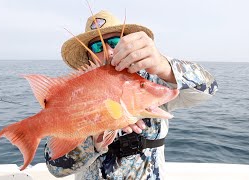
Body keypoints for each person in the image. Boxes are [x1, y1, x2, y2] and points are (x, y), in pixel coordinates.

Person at [44, 10, 218, 179]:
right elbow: (55, 167)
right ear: (89, 57)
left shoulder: (153, 83)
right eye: (97, 46)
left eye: (114, 42)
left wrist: (163, 65)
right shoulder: (75, 95)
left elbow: (210, 88)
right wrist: (94, 139)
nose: (108, 52)